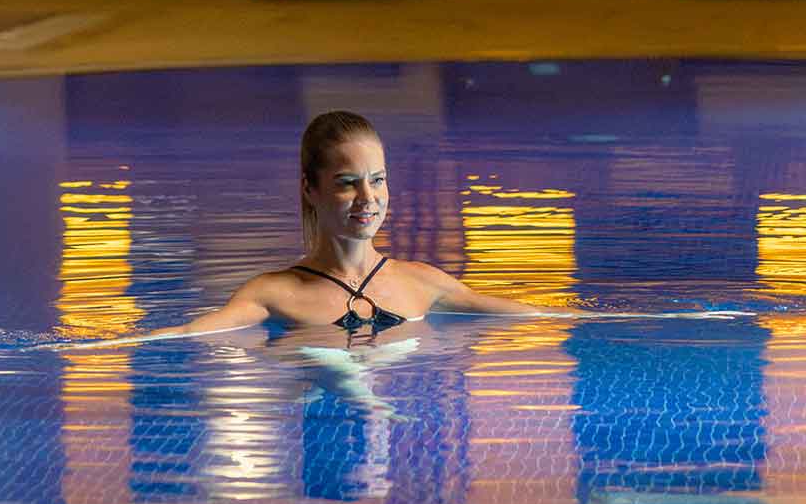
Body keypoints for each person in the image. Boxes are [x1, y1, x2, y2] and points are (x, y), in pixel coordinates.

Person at [166, 109, 541, 343]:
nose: (368, 197)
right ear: (310, 189)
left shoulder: (422, 283)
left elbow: (533, 317)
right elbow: (189, 334)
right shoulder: (273, 294)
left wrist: (581, 324)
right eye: (348, 183)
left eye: (377, 180)